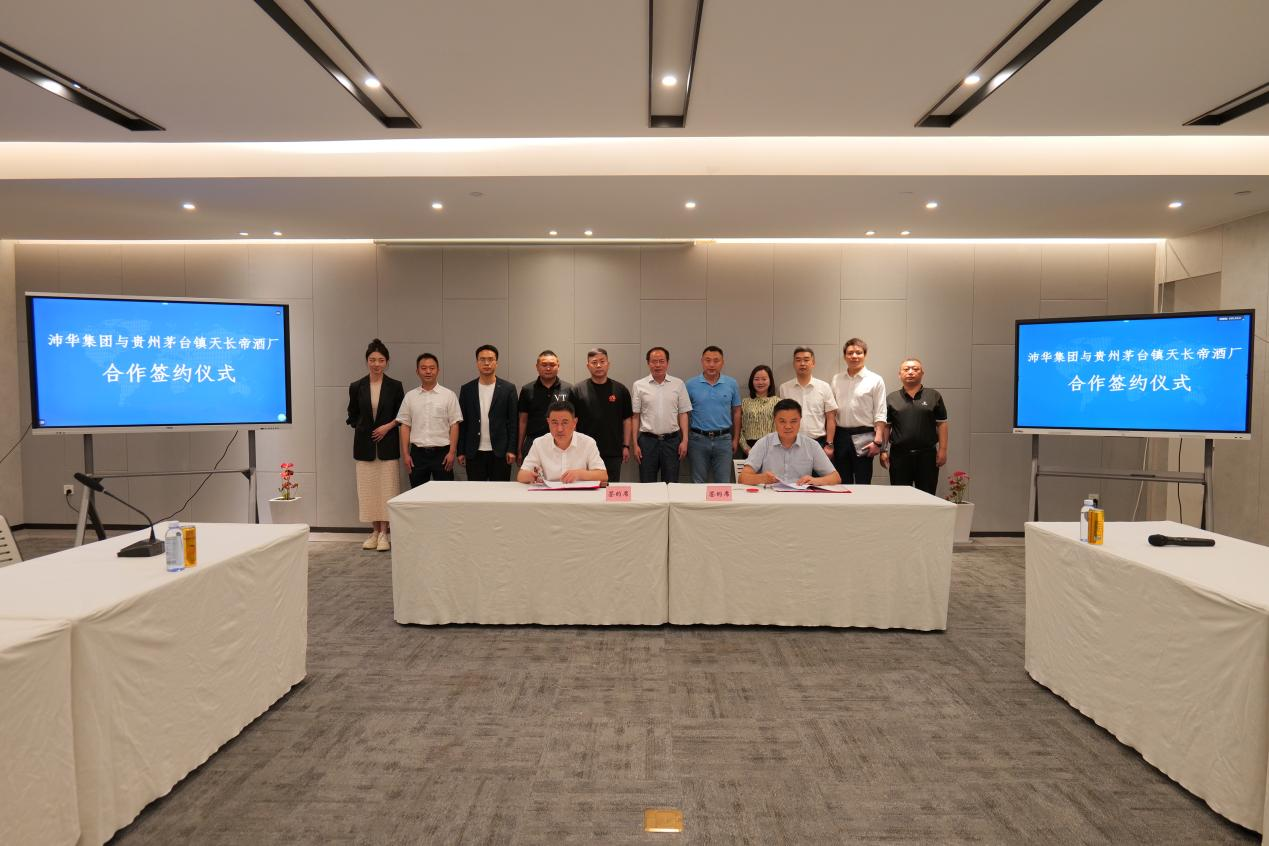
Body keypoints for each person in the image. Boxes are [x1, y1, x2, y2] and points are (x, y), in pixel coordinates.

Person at [346, 339, 404, 551]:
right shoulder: (356, 386)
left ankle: (384, 533)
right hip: (365, 446)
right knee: (369, 491)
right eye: (372, 360)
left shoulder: (395, 386)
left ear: (387, 362)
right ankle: (374, 531)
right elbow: (352, 414)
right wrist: (363, 428)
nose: (376, 364)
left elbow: (402, 415)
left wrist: (387, 427)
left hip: (388, 445)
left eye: (380, 360)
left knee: (387, 490)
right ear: (367, 361)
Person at [881, 358, 948, 495]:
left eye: (915, 369)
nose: (910, 372)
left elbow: (942, 424)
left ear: (922, 373)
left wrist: (942, 450)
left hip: (927, 455)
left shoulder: (934, 396)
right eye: (906, 369)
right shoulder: (892, 398)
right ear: (899, 374)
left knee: (927, 496)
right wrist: (883, 450)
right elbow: (886, 427)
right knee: (899, 497)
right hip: (899, 456)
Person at [738, 398, 841, 487]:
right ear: (774, 420)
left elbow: (835, 477)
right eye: (782, 421)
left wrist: (815, 480)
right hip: (770, 497)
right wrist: (762, 478)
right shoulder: (763, 443)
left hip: (800, 497)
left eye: (793, 421)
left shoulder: (812, 445)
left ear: (800, 420)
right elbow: (743, 478)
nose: (788, 426)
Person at [397, 353, 462, 488]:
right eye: (424, 368)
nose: (428, 371)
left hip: (443, 454)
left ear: (438, 370)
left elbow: (454, 425)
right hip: (417, 455)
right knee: (418, 494)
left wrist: (452, 452)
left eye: (432, 368)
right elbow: (405, 426)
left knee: (445, 494)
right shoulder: (410, 396)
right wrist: (406, 454)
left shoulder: (449, 395)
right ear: (417, 371)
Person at [568, 347, 633, 483]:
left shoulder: (621, 390)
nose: (598, 365)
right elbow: (572, 421)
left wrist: (626, 446)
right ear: (588, 366)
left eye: (602, 361)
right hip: (584, 451)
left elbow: (627, 419)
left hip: (613, 451)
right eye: (594, 362)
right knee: (586, 489)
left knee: (611, 488)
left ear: (608, 364)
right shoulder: (577, 390)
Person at [829, 338, 888, 484]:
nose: (854, 356)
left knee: (863, 481)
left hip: (865, 435)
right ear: (844, 356)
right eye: (850, 353)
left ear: (865, 355)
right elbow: (831, 412)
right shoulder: (836, 379)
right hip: (840, 435)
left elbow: (880, 412)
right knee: (842, 481)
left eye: (858, 352)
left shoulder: (875, 380)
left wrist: (878, 441)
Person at [457, 344, 518, 481]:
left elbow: (513, 422)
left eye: (490, 359)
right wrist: (461, 451)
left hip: (501, 452)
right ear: (477, 362)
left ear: (497, 362)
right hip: (474, 452)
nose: (486, 363)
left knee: (500, 491)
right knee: (476, 492)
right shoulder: (467, 389)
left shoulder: (508, 389)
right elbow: (463, 423)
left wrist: (511, 449)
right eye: (482, 359)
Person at [631, 346, 691, 482]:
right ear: (648, 363)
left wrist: (685, 440)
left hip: (672, 441)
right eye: (654, 361)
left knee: (671, 483)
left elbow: (683, 413)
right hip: (647, 442)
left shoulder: (678, 384)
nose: (657, 365)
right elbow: (635, 416)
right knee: (647, 483)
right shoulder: (639, 385)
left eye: (661, 361)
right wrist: (635, 444)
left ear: (667, 363)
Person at [685, 345, 741, 482]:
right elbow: (684, 414)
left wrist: (735, 439)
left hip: (724, 440)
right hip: (697, 440)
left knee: (723, 483)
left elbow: (737, 412)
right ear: (702, 361)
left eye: (716, 361)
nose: (711, 364)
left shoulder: (732, 383)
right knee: (698, 483)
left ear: (722, 362)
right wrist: (685, 439)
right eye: (708, 360)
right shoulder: (690, 384)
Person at [516, 400, 608, 484]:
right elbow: (521, 475)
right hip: (549, 494)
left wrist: (579, 474)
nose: (559, 429)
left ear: (574, 422)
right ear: (548, 422)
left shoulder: (588, 443)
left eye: (565, 422)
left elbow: (603, 475)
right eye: (554, 423)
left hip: (578, 494)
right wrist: (532, 476)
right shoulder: (539, 443)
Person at [779, 347, 838, 455]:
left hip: (818, 443)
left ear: (813, 363)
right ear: (794, 364)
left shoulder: (824, 387)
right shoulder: (784, 388)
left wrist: (829, 444)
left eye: (806, 360)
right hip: (791, 442)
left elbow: (831, 418)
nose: (802, 363)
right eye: (798, 360)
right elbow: (781, 418)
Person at [517, 350, 571, 463]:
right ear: (537, 367)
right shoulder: (527, 390)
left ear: (558, 366)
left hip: (561, 442)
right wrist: (519, 449)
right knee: (531, 474)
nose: (548, 368)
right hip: (533, 443)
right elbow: (523, 421)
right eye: (544, 365)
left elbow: (573, 420)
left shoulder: (569, 389)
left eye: (552, 365)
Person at [739, 364, 779, 457]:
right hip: (749, 448)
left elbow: (778, 429)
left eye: (764, 379)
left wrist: (769, 449)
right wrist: (746, 448)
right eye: (756, 379)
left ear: (770, 381)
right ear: (752, 381)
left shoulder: (777, 402)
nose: (760, 382)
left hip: (770, 449)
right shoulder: (745, 402)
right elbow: (740, 429)